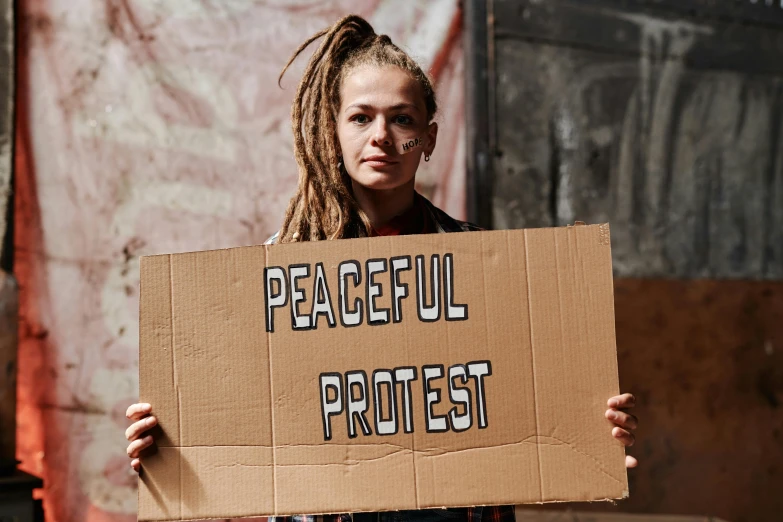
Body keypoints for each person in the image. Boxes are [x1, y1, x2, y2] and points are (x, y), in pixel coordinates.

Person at [125, 14, 639, 522]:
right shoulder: (279, 272)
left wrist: (591, 429)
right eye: (360, 117)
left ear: (429, 139)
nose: (382, 137)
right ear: (334, 131)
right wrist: (170, 444)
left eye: (403, 120)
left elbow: (522, 400)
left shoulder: (481, 266)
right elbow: (240, 415)